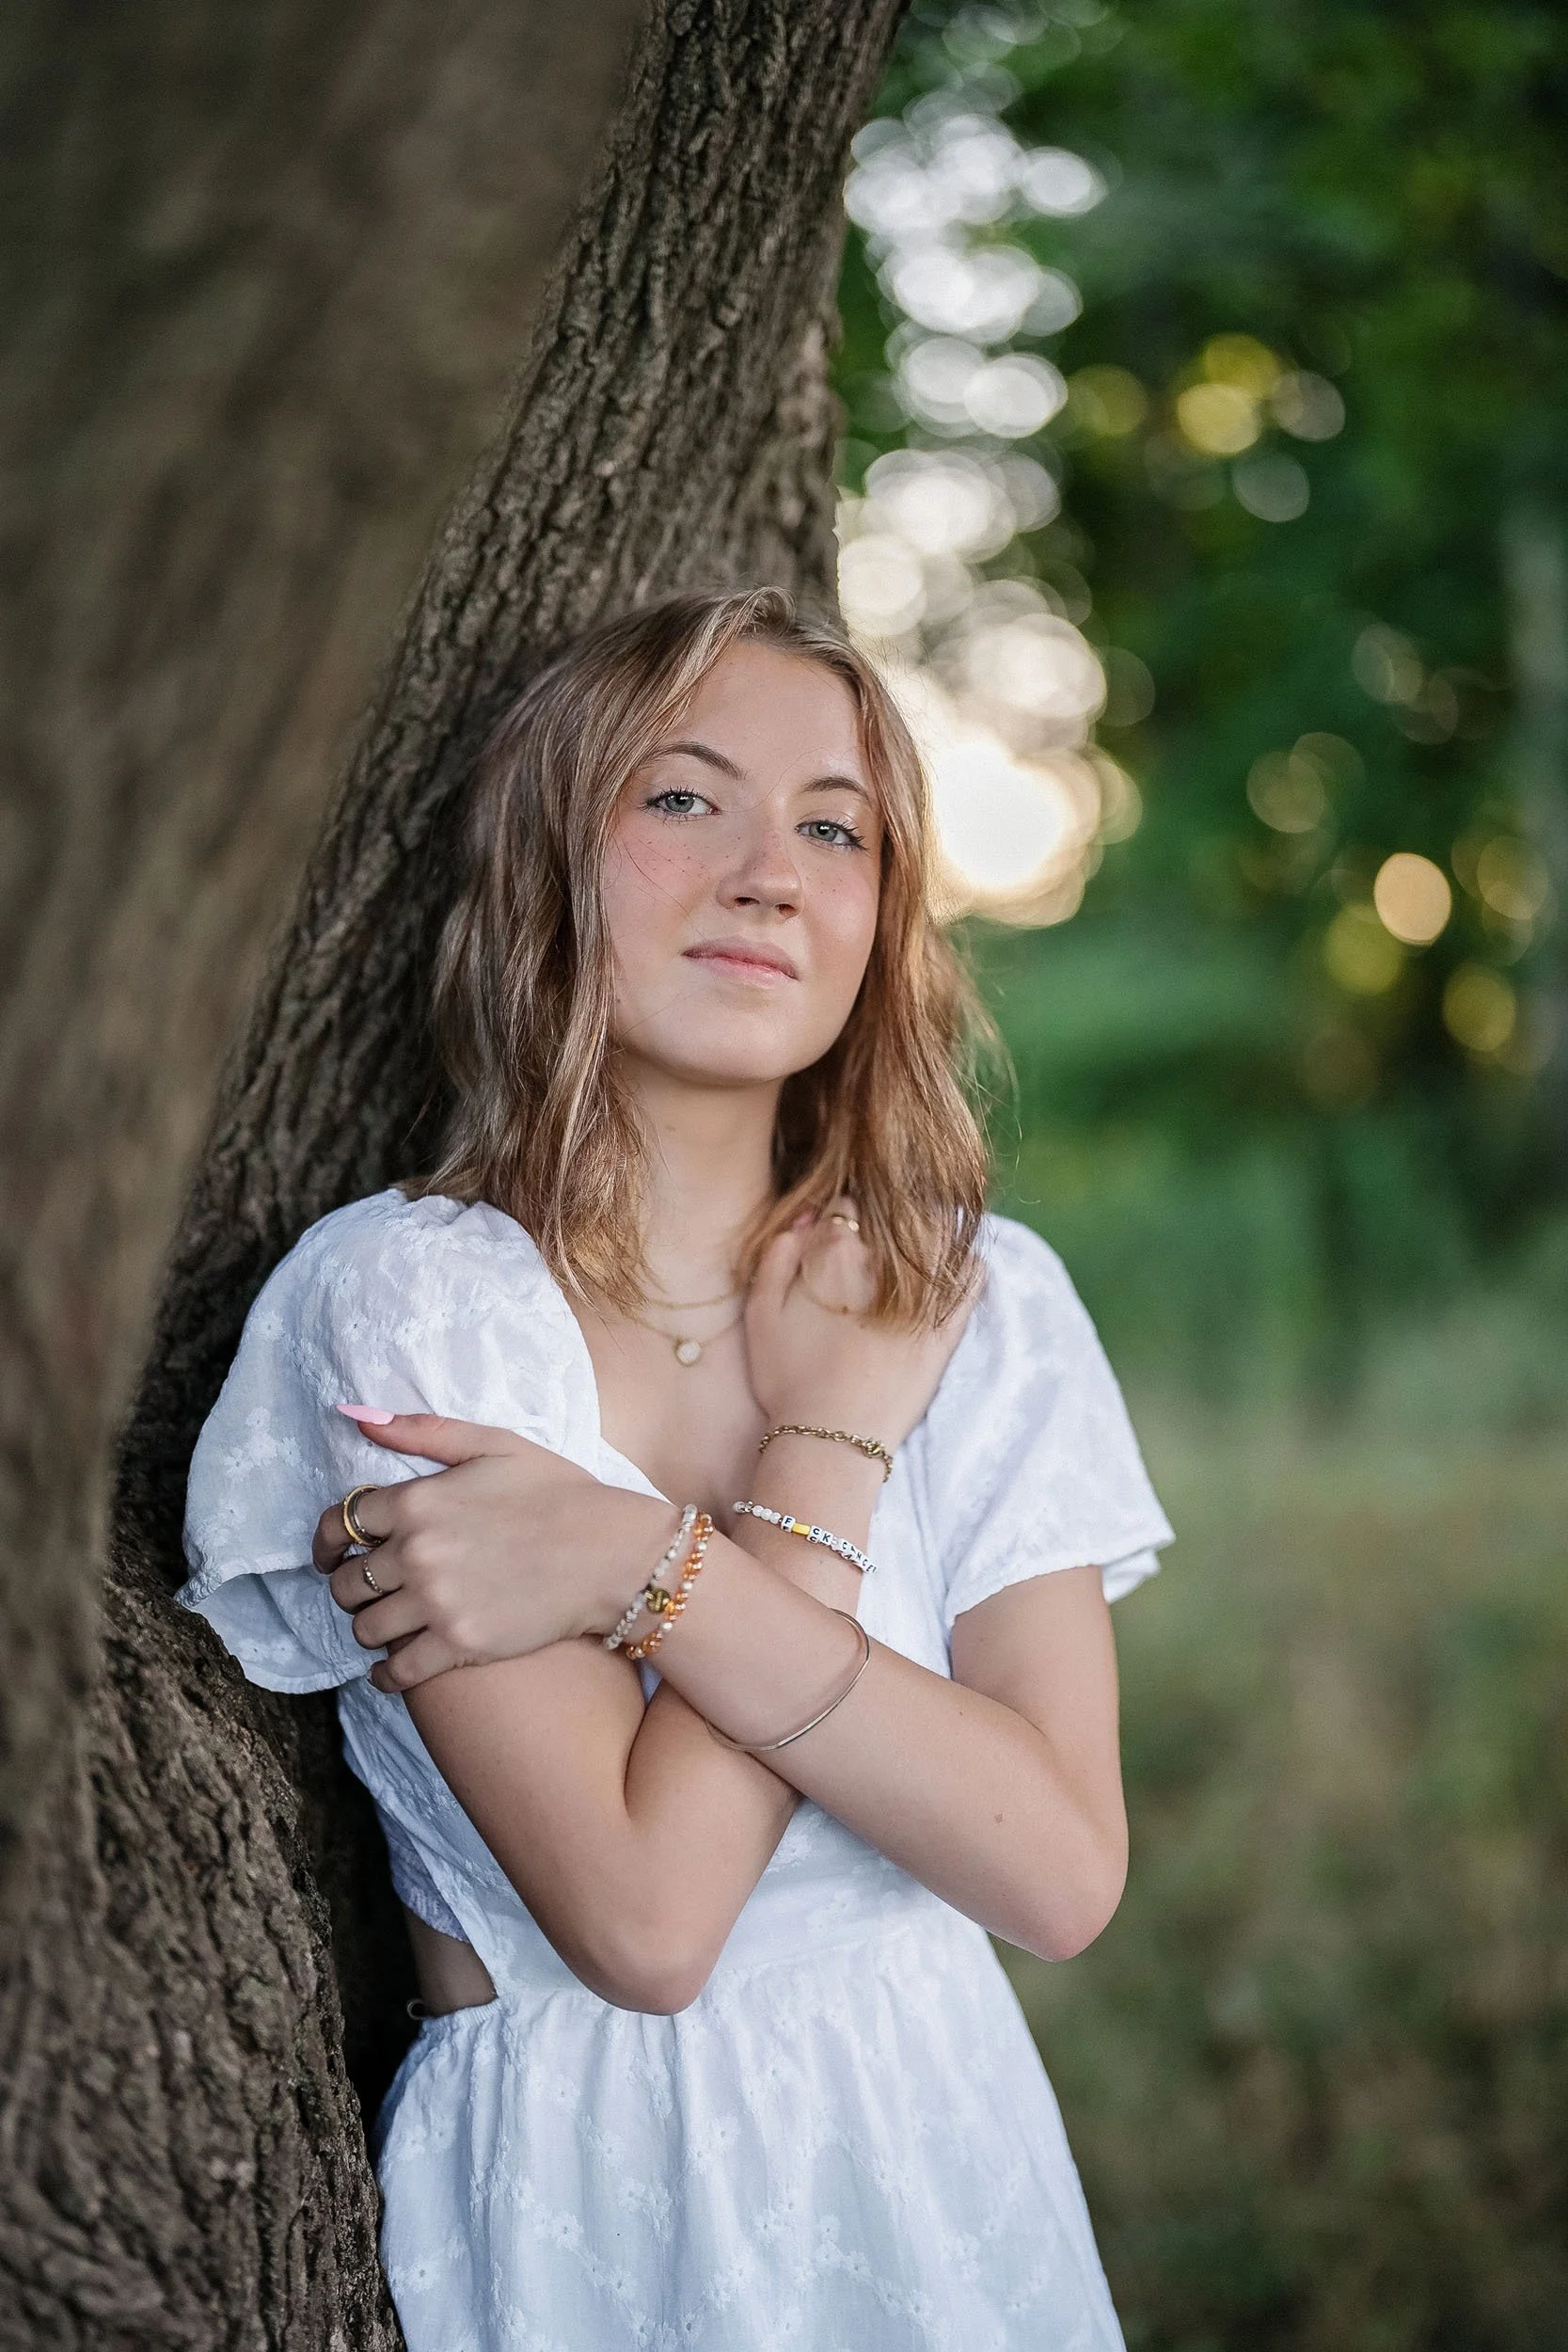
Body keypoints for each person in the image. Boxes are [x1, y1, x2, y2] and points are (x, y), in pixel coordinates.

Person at [179, 587, 1172, 2351]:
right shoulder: (409, 1301)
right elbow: (645, 1921)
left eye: (833, 826)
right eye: (682, 796)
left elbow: (1056, 1872)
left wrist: (654, 1565)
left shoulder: (979, 1301)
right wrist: (823, 1452)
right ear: (551, 859)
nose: (769, 871)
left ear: (881, 910)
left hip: (944, 2173)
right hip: (593, 2198)